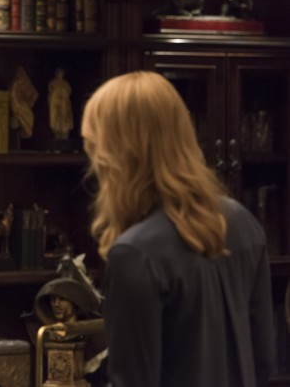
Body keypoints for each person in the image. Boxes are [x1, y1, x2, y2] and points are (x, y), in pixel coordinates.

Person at [80, 70, 275, 387]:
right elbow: (264, 359)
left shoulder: (135, 253)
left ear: (117, 156)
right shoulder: (244, 222)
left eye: (94, 149)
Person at [48, 67, 73, 140]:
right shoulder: (53, 83)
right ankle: (57, 134)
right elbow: (51, 91)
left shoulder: (65, 83)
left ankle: (64, 134)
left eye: (61, 73)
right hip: (56, 104)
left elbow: (69, 92)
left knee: (64, 119)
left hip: (64, 105)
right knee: (56, 120)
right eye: (59, 73)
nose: (60, 74)